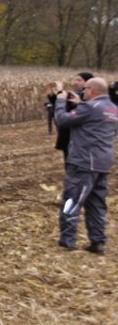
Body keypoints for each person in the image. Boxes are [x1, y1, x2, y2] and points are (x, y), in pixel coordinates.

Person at [53, 76, 118, 254]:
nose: (83, 91)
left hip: (83, 162)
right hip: (103, 163)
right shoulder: (113, 108)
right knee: (97, 203)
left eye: (86, 89)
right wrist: (80, 104)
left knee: (71, 200)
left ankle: (68, 239)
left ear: (94, 91)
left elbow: (62, 120)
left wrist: (60, 99)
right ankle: (98, 241)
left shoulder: (89, 107)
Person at [47, 71, 93, 168]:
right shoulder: (75, 94)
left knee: (76, 167)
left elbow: (64, 111)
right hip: (68, 135)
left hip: (77, 137)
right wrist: (51, 93)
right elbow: (60, 105)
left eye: (79, 80)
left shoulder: (90, 98)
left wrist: (60, 91)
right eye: (76, 80)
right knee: (68, 164)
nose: (76, 82)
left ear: (88, 83)